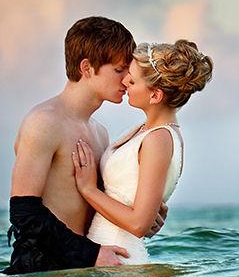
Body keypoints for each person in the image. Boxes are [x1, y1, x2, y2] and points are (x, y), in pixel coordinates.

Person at [4, 16, 168, 275]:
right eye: (119, 70)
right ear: (87, 68)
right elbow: (24, 213)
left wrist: (141, 219)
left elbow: (95, 206)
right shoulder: (43, 122)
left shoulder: (100, 133)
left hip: (84, 272)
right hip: (42, 273)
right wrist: (91, 254)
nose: (128, 80)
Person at [73, 40, 213, 264]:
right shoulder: (144, 131)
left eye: (133, 79)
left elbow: (138, 224)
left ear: (155, 96)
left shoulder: (159, 139)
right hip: (103, 253)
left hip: (121, 260)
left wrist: (88, 189)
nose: (125, 81)